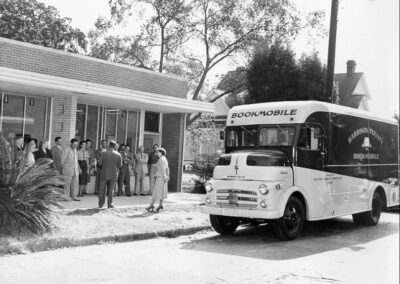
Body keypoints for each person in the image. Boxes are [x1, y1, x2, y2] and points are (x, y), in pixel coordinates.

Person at [98, 141, 122, 208]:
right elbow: (120, 165)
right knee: (111, 191)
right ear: (115, 146)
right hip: (113, 174)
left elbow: (99, 164)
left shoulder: (103, 153)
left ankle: (101, 204)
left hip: (104, 173)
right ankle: (110, 204)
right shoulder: (118, 154)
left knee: (102, 190)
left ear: (109, 145)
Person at [146, 148, 169, 212]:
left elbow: (162, 169)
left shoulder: (161, 159)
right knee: (161, 192)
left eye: (158, 152)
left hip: (160, 177)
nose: (157, 153)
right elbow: (167, 168)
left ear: (161, 152)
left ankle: (152, 205)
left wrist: (164, 176)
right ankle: (160, 205)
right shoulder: (165, 159)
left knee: (156, 191)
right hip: (163, 177)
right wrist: (167, 176)